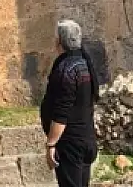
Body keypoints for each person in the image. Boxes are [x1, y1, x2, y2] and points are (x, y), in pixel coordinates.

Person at [40, 19, 100, 187]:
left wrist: (51, 144)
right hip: (86, 138)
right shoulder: (84, 63)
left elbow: (61, 113)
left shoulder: (66, 70)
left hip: (70, 145)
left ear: (59, 41)